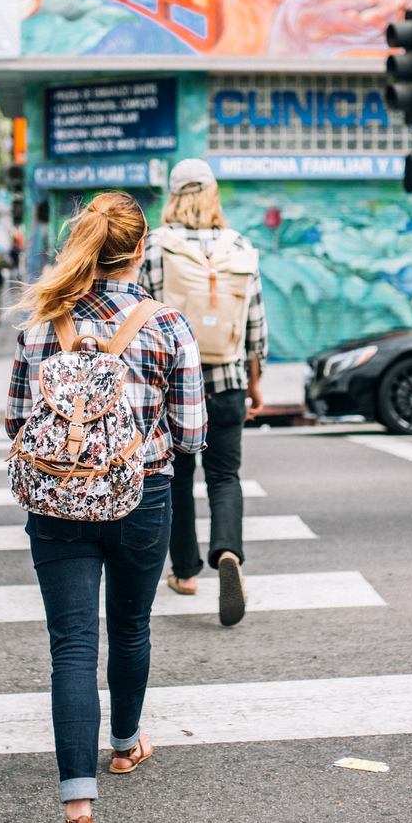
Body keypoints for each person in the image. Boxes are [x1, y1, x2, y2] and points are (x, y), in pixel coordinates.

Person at [7, 191, 205, 823]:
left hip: (56, 501)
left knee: (71, 647)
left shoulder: (41, 326)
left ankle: (79, 814)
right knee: (130, 626)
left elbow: (15, 422)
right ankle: (124, 746)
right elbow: (192, 434)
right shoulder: (168, 325)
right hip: (139, 497)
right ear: (140, 251)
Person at [139, 158, 267, 626]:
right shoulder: (239, 247)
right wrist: (253, 385)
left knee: (176, 479)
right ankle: (228, 552)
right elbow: (255, 325)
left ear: (173, 196)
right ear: (213, 194)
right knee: (225, 476)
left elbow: (141, 316)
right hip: (227, 381)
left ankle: (186, 572)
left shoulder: (154, 248)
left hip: (172, 387)